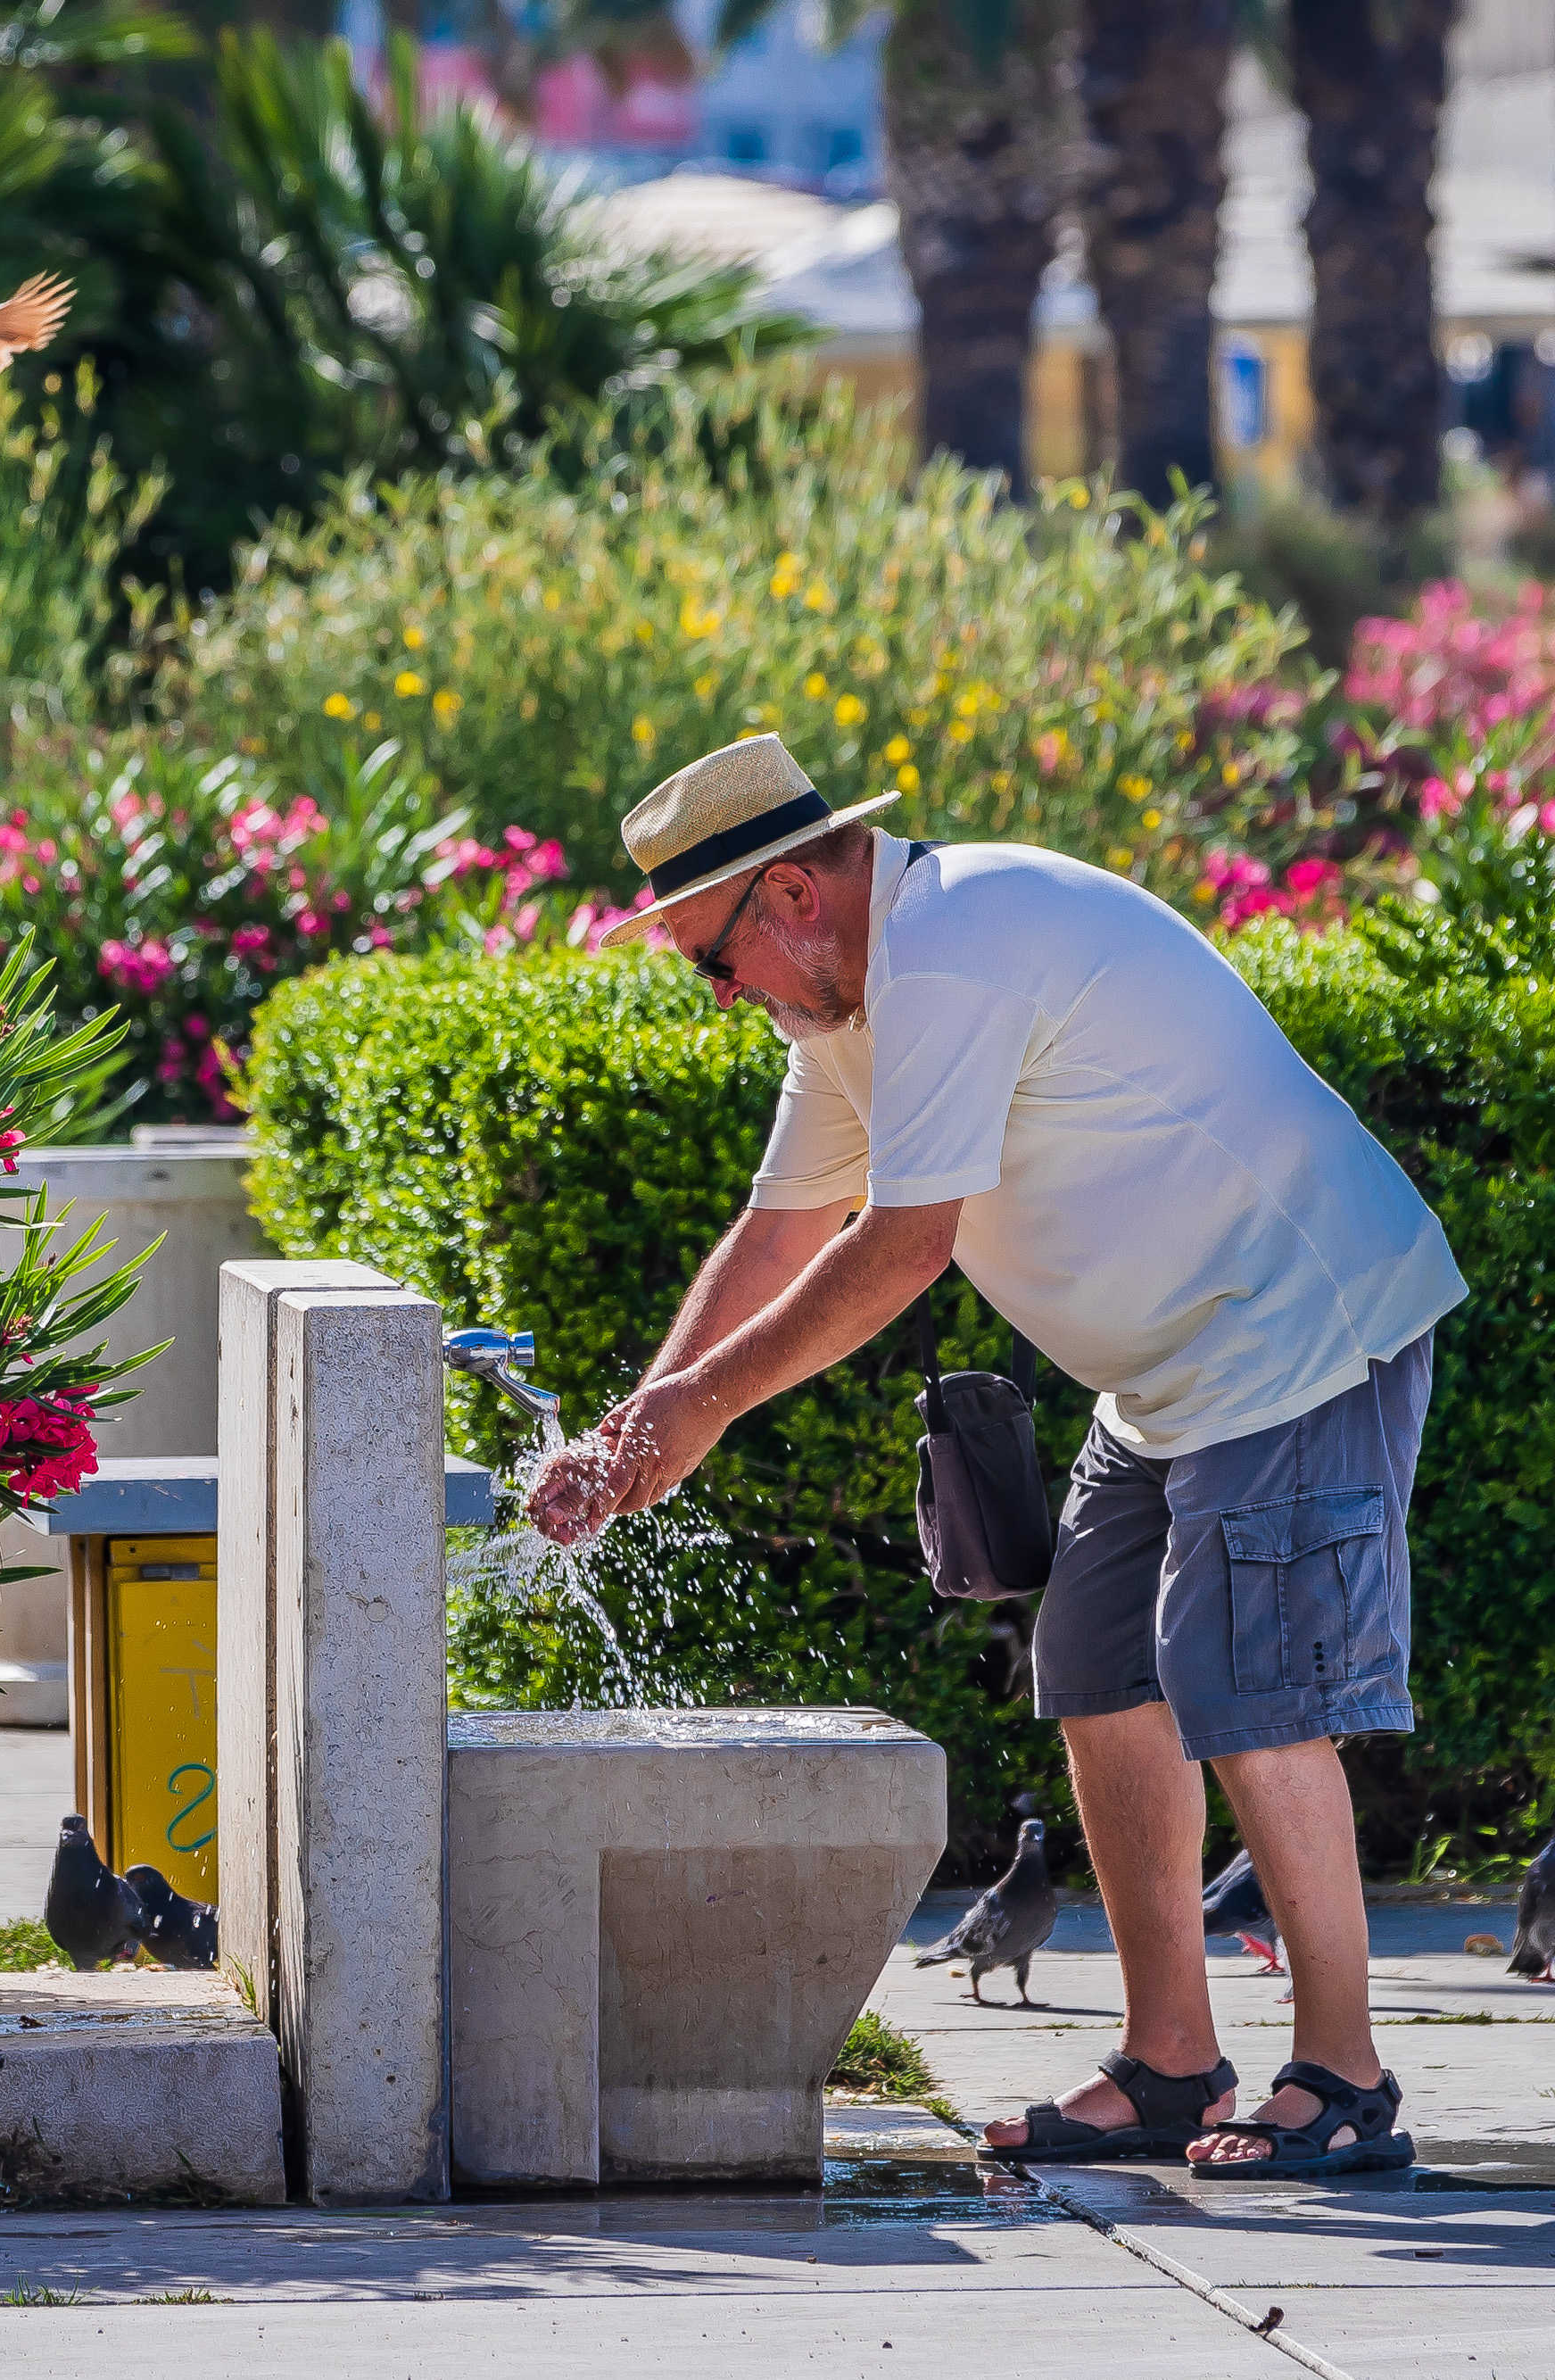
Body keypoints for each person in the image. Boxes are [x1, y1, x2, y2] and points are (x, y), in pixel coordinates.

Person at [525, 731, 1466, 2179]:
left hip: (1296, 1325)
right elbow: (777, 1233)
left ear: (787, 898)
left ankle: (1342, 2078)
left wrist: (699, 1409)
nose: (719, 997)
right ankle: (1169, 2063)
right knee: (1097, 1665)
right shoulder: (842, 1016)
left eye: (713, 961)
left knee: (1250, 1688)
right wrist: (635, 1428)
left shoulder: (952, 947)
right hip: (1166, 1377)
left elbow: (903, 1248)